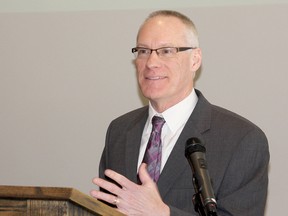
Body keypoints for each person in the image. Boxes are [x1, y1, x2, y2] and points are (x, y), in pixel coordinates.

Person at [90, 10, 269, 216]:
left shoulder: (242, 140)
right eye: (143, 51)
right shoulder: (119, 131)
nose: (151, 63)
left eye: (166, 51)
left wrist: (163, 214)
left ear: (195, 60)